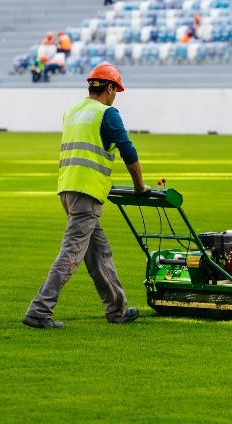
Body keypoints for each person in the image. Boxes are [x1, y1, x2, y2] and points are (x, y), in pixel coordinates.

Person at [23, 63, 150, 329]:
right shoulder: (107, 114)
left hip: (67, 190)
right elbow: (129, 153)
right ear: (111, 88)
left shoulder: (72, 112)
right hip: (87, 193)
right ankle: (39, 310)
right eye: (116, 89)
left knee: (99, 253)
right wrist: (140, 187)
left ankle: (117, 310)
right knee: (71, 253)